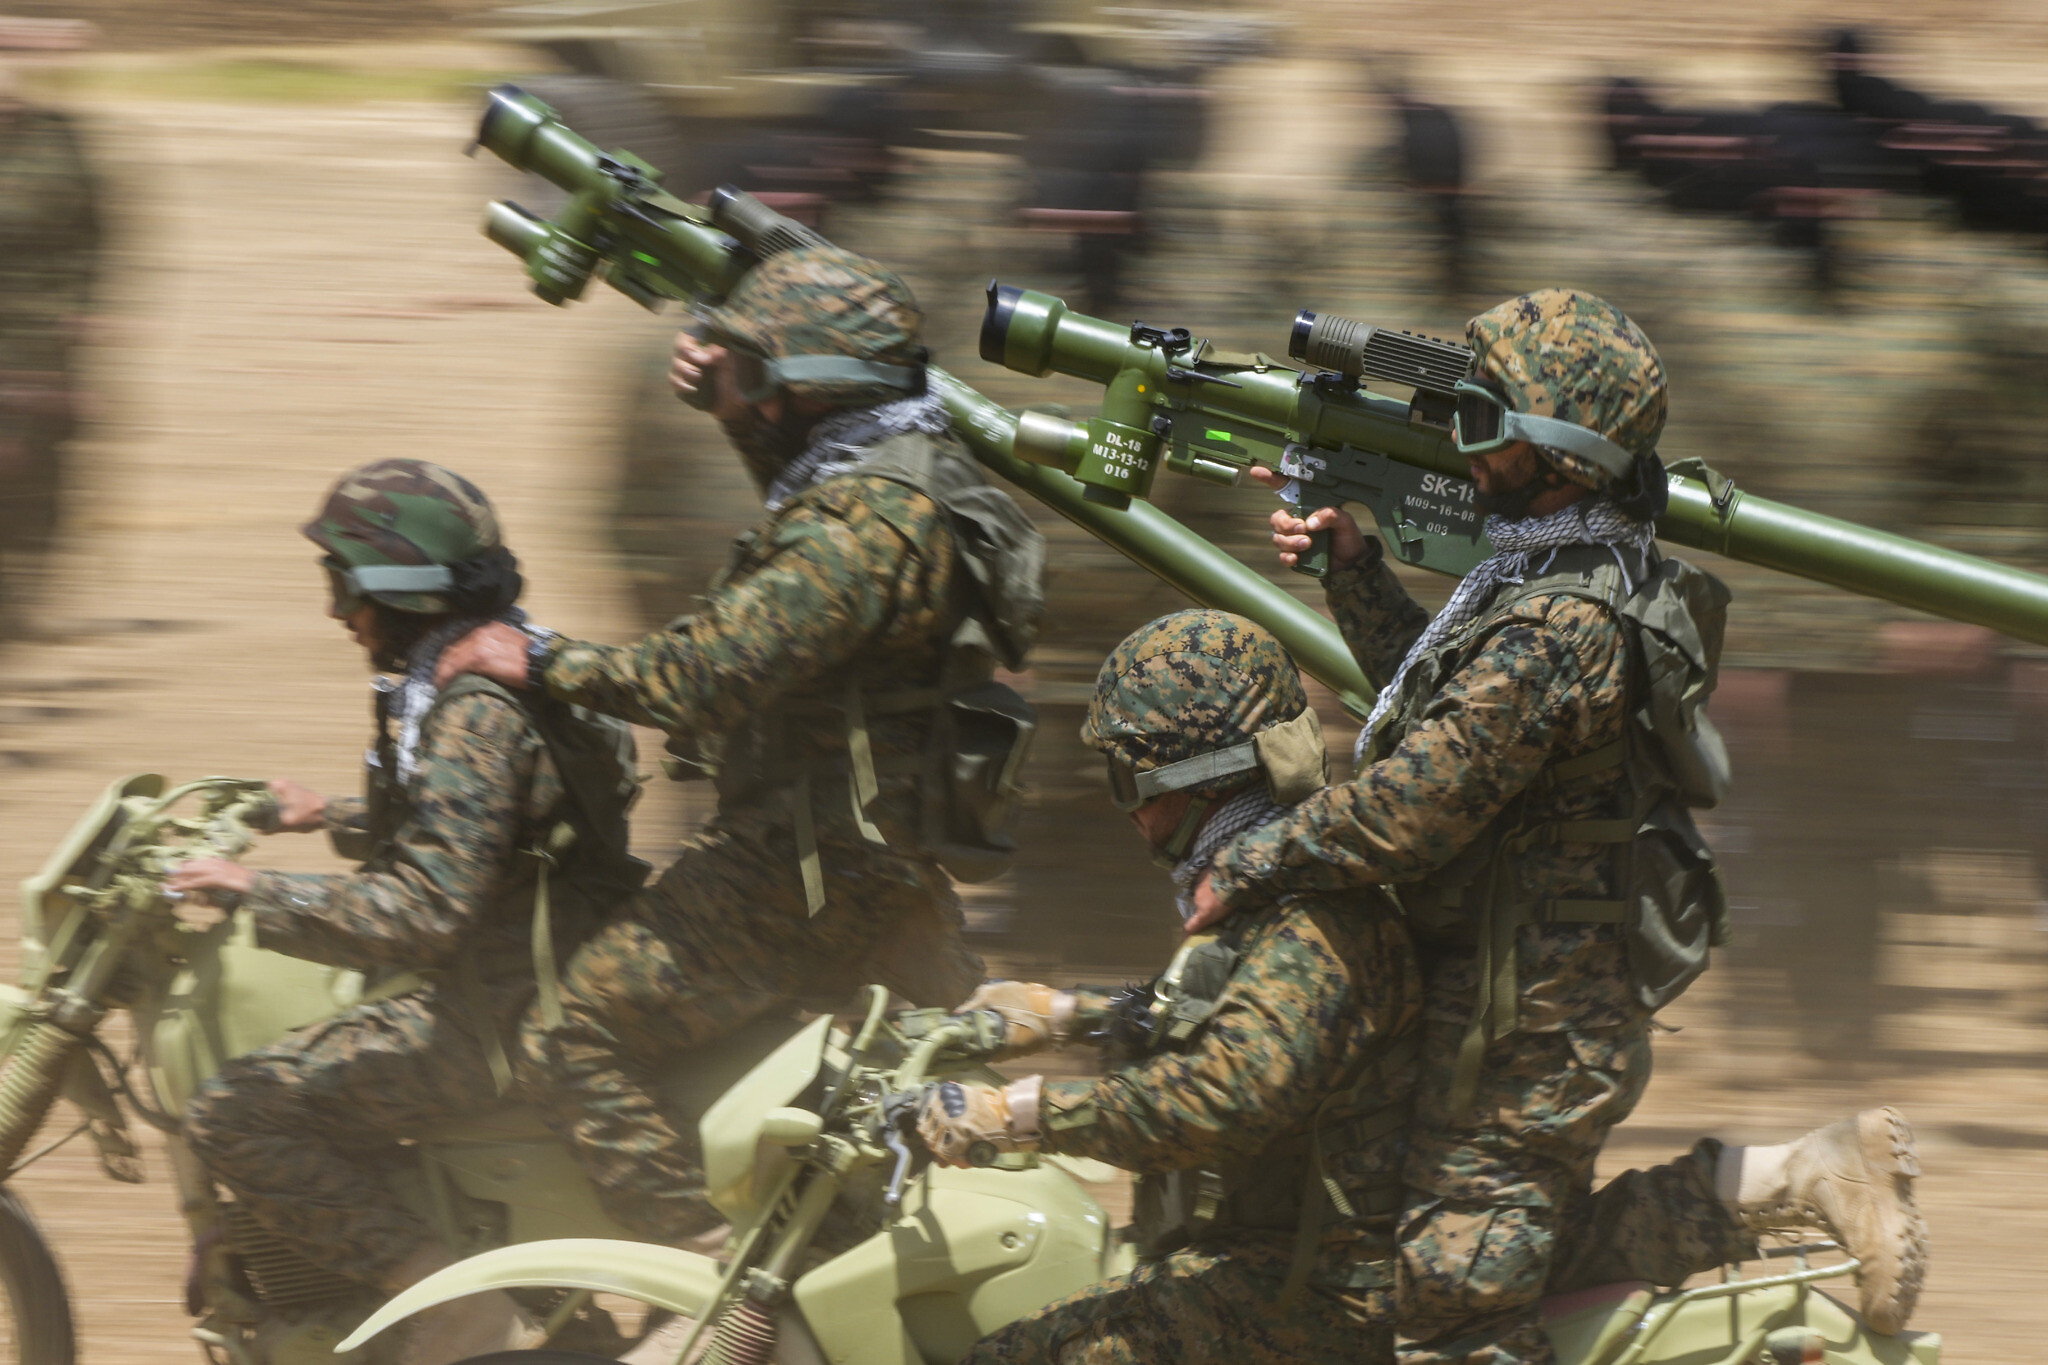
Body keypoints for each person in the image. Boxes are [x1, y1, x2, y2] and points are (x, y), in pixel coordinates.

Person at [1189, 288, 1928, 1361]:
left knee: (1452, 1291)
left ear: (1564, 455)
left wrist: (1247, 858)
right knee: (1444, 1259)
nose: (1461, 449)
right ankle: (1797, 1175)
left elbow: (1412, 806)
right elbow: (1443, 713)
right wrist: (1355, 573)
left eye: (1480, 424)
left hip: (1537, 1016)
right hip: (1506, 986)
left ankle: (1801, 1179)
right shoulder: (1543, 579)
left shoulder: (1558, 621)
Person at [432, 246, 1045, 1247]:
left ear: (817, 388)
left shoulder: (862, 531)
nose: (741, 390)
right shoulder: (904, 473)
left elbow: (701, 675)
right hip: (866, 857)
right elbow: (796, 515)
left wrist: (537, 659)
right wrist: (735, 407)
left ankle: (696, 1261)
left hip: (801, 871)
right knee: (886, 1104)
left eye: (759, 374)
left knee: (570, 1034)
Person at [174, 459, 646, 1365]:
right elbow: (490, 832)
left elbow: (424, 910)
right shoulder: (507, 657)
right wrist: (329, 815)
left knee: (234, 1111)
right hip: (549, 972)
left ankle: (457, 1308)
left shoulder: (473, 710)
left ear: (402, 587)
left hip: (494, 1014)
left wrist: (255, 891)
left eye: (345, 585)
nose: (338, 612)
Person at [919, 609, 1422, 1365]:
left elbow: (1219, 1096)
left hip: (1321, 1289)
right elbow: (1210, 1012)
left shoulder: (1313, 918)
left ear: (1197, 780)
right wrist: (1062, 1015)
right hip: (1267, 1260)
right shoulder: (1263, 885)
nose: (1122, 806)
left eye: (1127, 778)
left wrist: (1021, 1113)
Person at [0, 54, 100, 638]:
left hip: (39, 355)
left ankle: (20, 605)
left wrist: (89, 320)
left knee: (37, 488)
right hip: (33, 353)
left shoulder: (61, 146)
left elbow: (96, 236)